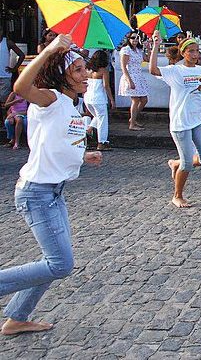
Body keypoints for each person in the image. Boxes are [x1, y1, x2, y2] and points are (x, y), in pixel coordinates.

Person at [0, 33, 102, 336]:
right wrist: (51, 50)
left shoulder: (71, 104)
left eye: (86, 69)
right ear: (62, 76)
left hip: (54, 193)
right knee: (60, 264)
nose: (87, 75)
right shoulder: (52, 98)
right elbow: (20, 86)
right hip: (36, 193)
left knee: (53, 259)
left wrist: (85, 155)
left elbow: (60, 143)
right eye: (79, 70)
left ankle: (17, 317)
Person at [149, 32, 201, 208]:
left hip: (197, 120)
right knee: (188, 163)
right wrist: (156, 45)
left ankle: (175, 163)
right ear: (183, 53)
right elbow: (153, 70)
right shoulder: (175, 70)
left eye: (197, 51)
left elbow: (200, 91)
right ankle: (177, 195)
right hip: (180, 123)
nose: (195, 55)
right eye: (191, 51)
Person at [84, 50, 115, 151]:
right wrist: (111, 99)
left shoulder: (88, 70)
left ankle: (88, 130)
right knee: (102, 120)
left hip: (88, 97)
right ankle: (102, 142)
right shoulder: (103, 70)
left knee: (97, 116)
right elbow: (106, 86)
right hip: (99, 98)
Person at [118, 31, 148, 131]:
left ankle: (133, 119)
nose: (135, 40)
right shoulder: (126, 50)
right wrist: (129, 80)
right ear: (129, 39)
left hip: (139, 76)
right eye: (133, 38)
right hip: (130, 76)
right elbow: (123, 66)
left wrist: (148, 48)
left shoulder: (139, 50)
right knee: (135, 100)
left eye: (137, 38)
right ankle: (132, 124)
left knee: (144, 100)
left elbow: (147, 59)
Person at [0, 25, 25, 105]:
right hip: (5, 76)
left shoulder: (7, 42)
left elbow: (21, 55)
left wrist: (14, 69)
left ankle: (5, 117)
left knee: (4, 102)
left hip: (5, 76)